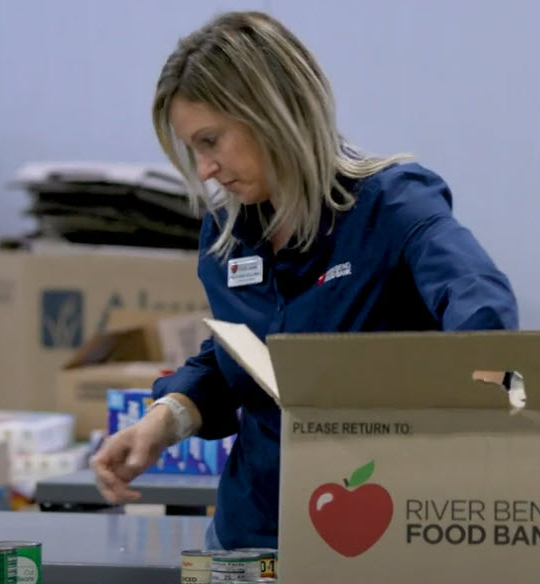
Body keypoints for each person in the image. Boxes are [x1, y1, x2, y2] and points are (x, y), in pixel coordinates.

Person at [91, 10, 518, 551]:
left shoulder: (392, 206)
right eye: (193, 150)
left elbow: (481, 308)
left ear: (272, 111)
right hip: (251, 532)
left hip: (380, 531)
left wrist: (477, 411)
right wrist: (163, 421)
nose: (205, 170)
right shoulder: (226, 235)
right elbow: (238, 359)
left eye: (211, 141)